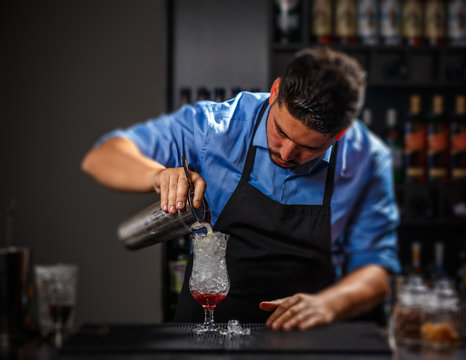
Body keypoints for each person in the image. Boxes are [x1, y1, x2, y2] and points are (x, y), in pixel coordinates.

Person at [81, 47, 401, 331]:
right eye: (280, 132)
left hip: (306, 335)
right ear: (275, 92)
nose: (287, 154)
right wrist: (158, 175)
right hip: (210, 330)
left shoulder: (367, 160)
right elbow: (103, 156)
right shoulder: (217, 127)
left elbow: (376, 271)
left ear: (340, 134)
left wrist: (330, 305)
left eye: (308, 148)